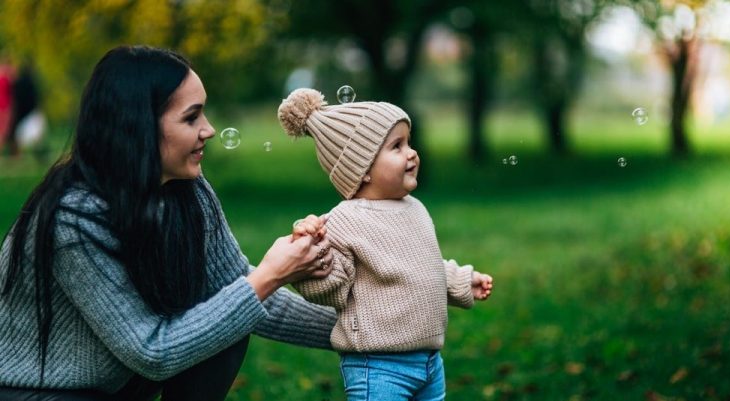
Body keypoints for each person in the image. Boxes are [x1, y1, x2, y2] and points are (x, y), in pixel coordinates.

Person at [0, 45, 337, 401]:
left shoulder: (188, 190)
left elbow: (248, 294)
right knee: (232, 309)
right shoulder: (73, 219)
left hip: (118, 382)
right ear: (139, 126)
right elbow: (152, 351)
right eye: (191, 118)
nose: (208, 130)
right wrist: (271, 274)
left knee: (229, 318)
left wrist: (365, 334)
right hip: (38, 391)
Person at [278, 88, 494, 401]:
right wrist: (314, 248)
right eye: (396, 146)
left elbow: (421, 266)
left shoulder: (415, 208)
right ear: (361, 168)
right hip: (378, 366)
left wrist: (461, 280)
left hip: (430, 362)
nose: (412, 153)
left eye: (409, 142)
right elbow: (330, 286)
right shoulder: (345, 219)